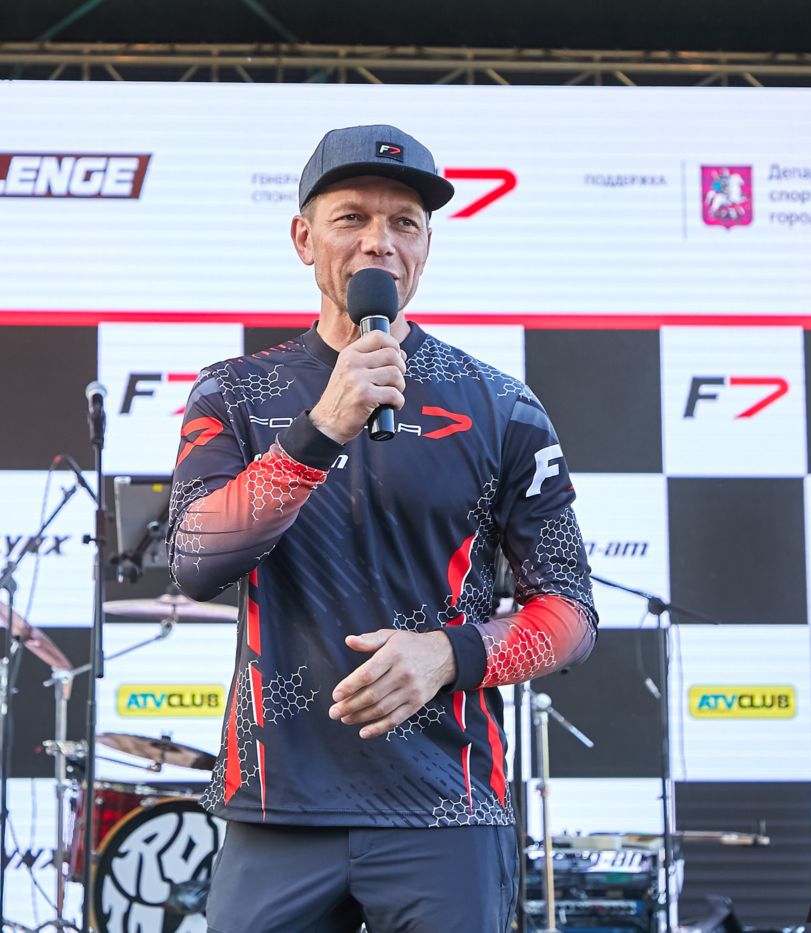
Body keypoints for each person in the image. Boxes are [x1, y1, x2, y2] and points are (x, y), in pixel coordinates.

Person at [166, 124, 597, 933]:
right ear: (304, 238)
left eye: (405, 222)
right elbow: (194, 559)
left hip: (446, 805)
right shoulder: (234, 392)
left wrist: (449, 654)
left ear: (427, 245)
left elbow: (571, 611)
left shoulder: (500, 404)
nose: (379, 241)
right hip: (278, 805)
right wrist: (321, 428)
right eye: (352, 218)